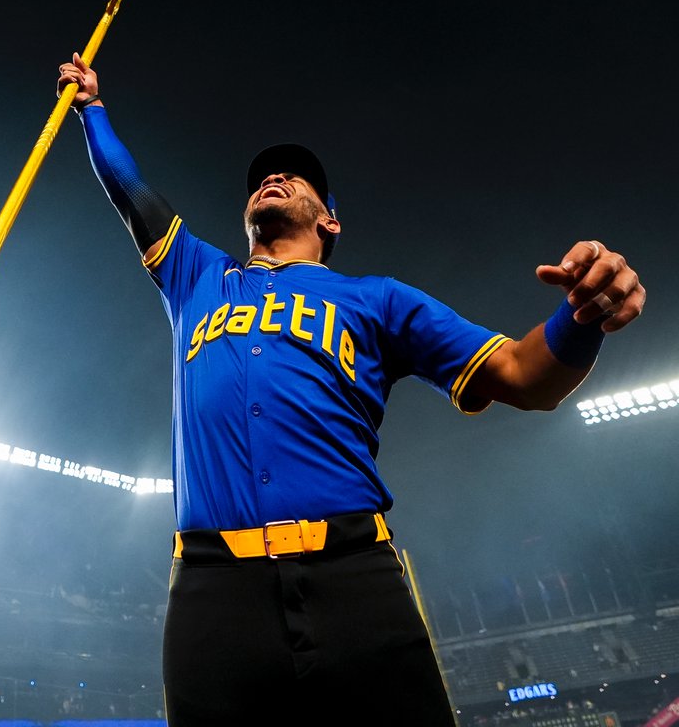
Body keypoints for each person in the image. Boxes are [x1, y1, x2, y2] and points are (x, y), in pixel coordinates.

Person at [56, 52, 645, 725]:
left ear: (330, 219)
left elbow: (521, 377)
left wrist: (583, 317)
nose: (272, 177)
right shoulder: (197, 276)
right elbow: (132, 190)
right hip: (214, 589)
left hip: (353, 576)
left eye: (294, 176)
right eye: (260, 179)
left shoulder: (377, 301)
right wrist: (93, 109)